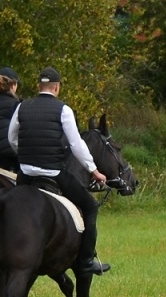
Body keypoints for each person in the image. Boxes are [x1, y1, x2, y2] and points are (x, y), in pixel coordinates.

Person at [7, 66, 111, 274]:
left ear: (38, 86)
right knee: (90, 207)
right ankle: (86, 261)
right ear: (57, 88)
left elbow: (12, 138)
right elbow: (76, 145)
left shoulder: (22, 107)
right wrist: (94, 170)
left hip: (26, 175)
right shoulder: (63, 110)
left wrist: (25, 153)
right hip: (53, 173)